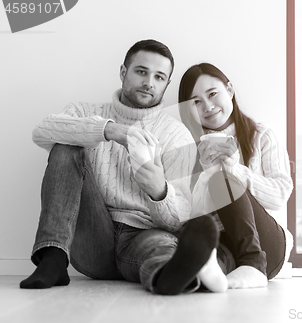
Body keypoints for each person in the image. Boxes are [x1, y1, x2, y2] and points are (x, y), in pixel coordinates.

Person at [20, 40, 228, 295]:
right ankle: (52, 258)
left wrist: (159, 192)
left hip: (143, 234)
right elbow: (42, 132)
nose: (149, 83)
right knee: (65, 145)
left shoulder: (176, 135)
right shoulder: (86, 111)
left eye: (159, 77)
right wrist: (108, 130)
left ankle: (169, 275)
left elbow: (177, 219)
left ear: (166, 84)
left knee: (162, 248)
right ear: (123, 72)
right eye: (141, 71)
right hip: (91, 234)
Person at [178, 63, 294, 288]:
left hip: (267, 246)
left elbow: (279, 196)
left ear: (229, 90)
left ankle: (253, 264)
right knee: (201, 272)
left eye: (212, 94)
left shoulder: (261, 136)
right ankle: (206, 273)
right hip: (222, 245)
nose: (208, 106)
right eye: (196, 102)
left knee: (222, 180)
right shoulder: (186, 147)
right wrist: (204, 172)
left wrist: (235, 170)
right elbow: (185, 216)